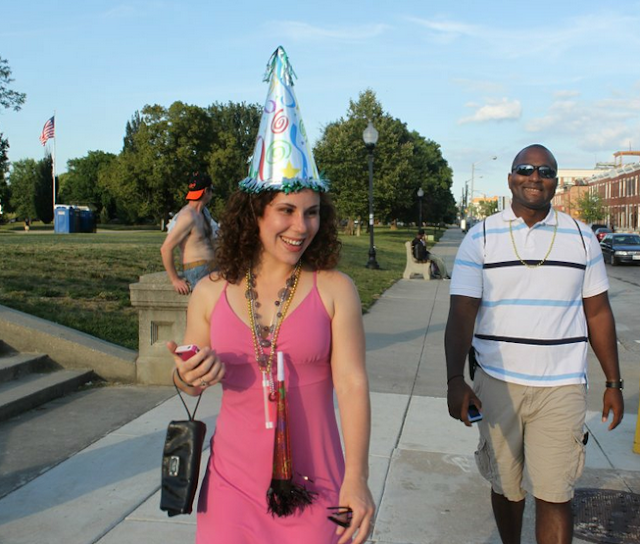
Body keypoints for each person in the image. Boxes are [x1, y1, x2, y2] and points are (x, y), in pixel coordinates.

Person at [166, 46, 375, 544]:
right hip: (230, 488)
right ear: (255, 213)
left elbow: (351, 384)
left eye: (312, 212)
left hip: (319, 486)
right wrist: (187, 374)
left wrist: (358, 478)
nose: (301, 227)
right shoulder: (210, 293)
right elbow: (189, 383)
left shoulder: (335, 290)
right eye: (286, 210)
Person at [445, 144, 624, 544]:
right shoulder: (481, 237)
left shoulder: (582, 238)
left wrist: (613, 383)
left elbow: (598, 313)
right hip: (497, 382)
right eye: (526, 169)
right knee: (506, 487)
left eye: (546, 172)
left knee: (556, 494)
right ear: (511, 178)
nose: (535, 178)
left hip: (561, 386)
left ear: (556, 183)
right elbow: (462, 313)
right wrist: (455, 379)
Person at [160, 172, 218, 294]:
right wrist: (175, 279)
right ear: (206, 191)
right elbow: (166, 248)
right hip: (197, 270)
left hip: (212, 267)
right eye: (212, 190)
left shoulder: (204, 212)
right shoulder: (188, 216)